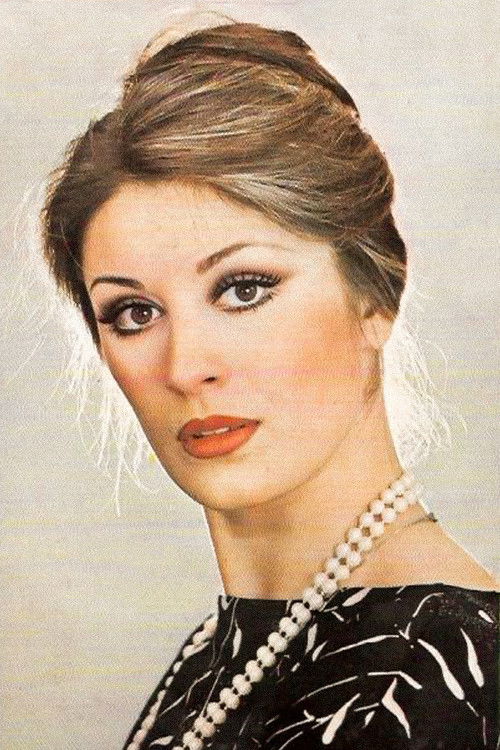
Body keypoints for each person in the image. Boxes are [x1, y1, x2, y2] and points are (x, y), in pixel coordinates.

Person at [40, 16, 499, 750]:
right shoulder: (215, 659)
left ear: (376, 296)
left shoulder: (437, 669)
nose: (185, 368)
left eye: (244, 288)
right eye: (135, 312)